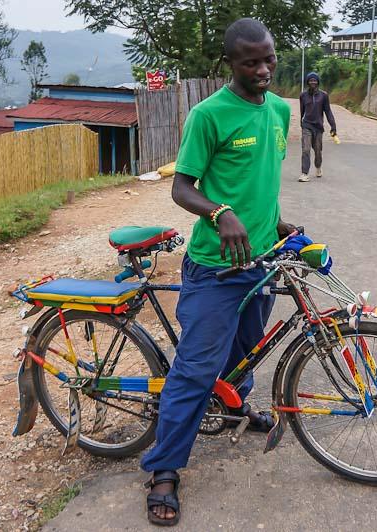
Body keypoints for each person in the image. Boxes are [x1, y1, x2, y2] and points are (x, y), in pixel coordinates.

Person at [140, 18, 295, 526]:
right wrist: (218, 213)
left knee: (247, 350)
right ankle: (163, 470)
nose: (264, 69)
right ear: (230, 62)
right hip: (214, 268)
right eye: (252, 61)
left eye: (269, 57)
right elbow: (182, 187)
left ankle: (234, 408)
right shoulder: (208, 115)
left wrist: (277, 224)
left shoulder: (277, 109)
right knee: (196, 367)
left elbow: (261, 182)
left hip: (261, 261)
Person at [298, 72, 337, 182]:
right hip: (307, 125)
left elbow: (328, 111)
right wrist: (301, 123)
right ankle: (304, 173)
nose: (313, 82)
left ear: (318, 82)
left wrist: (333, 126)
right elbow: (302, 111)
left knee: (318, 151)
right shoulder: (303, 95)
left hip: (318, 127)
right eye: (311, 80)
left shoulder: (323, 96)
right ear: (307, 82)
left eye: (315, 80)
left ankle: (318, 167)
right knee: (305, 149)